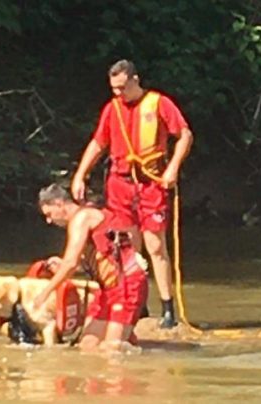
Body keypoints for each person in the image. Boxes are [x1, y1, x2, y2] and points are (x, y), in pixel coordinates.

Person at [70, 59, 193, 328]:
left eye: (122, 87)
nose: (118, 93)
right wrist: (80, 174)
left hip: (151, 184)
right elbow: (98, 143)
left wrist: (172, 168)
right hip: (120, 185)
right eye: (114, 88)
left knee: (156, 246)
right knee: (127, 247)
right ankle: (139, 305)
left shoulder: (159, 103)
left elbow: (184, 135)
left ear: (135, 80)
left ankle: (168, 308)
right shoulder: (112, 109)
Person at [33, 184, 149, 352]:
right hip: (107, 289)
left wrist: (45, 293)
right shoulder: (84, 217)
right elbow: (89, 261)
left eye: (49, 214)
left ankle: (126, 337)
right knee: (88, 346)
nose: (49, 221)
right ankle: (128, 336)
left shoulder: (82, 218)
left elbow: (71, 263)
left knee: (111, 350)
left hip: (127, 285)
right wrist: (62, 264)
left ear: (59, 204)